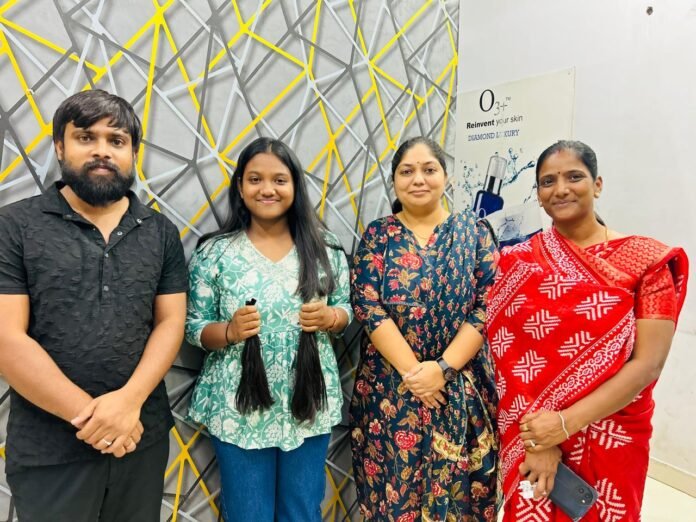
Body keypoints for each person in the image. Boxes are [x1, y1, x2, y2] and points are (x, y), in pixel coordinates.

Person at [0, 89, 188, 521]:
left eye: (116, 140)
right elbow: (7, 338)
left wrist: (127, 405)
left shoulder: (160, 232)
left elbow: (171, 323)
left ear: (133, 153)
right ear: (60, 147)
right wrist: (97, 421)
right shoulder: (14, 226)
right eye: (86, 137)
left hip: (141, 439)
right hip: (50, 450)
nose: (102, 150)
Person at [486, 140, 689, 520]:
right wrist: (540, 439)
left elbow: (648, 364)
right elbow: (508, 361)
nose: (561, 189)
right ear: (538, 195)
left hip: (610, 430)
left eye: (574, 177)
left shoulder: (646, 263)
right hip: (533, 431)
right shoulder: (517, 263)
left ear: (597, 185)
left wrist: (562, 425)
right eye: (548, 181)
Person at [185, 137, 352, 522]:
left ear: (295, 186)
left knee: (302, 512)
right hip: (238, 404)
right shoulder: (215, 253)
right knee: (248, 514)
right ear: (240, 187)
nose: (267, 189)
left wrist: (330, 318)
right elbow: (193, 327)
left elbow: (346, 308)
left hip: (308, 400)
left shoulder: (325, 248)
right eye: (255, 179)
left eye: (279, 180)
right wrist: (229, 331)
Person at [349, 136, 499, 521]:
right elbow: (367, 305)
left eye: (429, 169)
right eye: (407, 171)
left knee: (460, 499)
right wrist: (416, 374)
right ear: (394, 181)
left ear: (446, 177)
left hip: (459, 387)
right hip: (391, 392)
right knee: (393, 494)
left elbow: (488, 305)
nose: (418, 179)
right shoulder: (378, 236)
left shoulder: (474, 233)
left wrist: (442, 369)